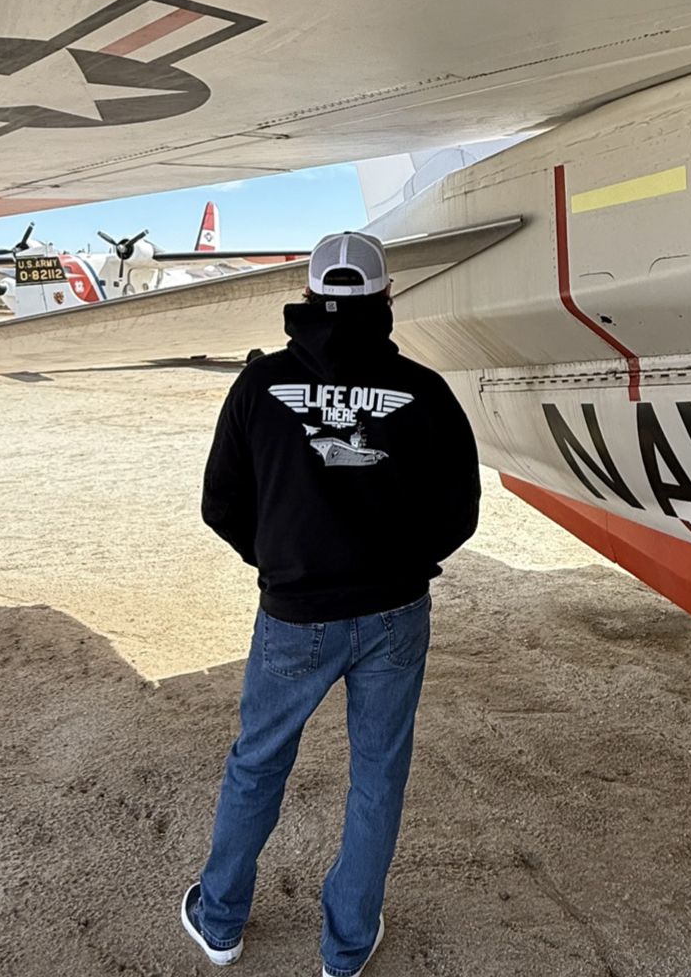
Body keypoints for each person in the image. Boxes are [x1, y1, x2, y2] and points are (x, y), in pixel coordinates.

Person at [181, 231, 481, 975]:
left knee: (257, 764)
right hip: (394, 613)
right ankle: (345, 947)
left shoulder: (258, 386)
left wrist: (282, 562)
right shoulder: (424, 391)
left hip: (294, 615)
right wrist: (407, 565)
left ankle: (219, 921)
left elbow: (222, 503)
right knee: (377, 773)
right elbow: (461, 508)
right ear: (385, 299)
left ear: (309, 295)